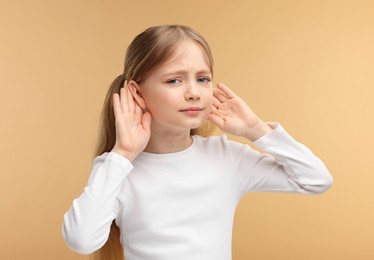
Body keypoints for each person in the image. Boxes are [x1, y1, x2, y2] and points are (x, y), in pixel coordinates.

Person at [62, 25, 333, 260]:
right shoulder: (118, 168)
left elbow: (316, 179)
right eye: (174, 80)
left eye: (202, 79)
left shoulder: (227, 157)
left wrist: (256, 130)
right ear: (137, 92)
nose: (193, 92)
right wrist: (122, 154)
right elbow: (82, 240)